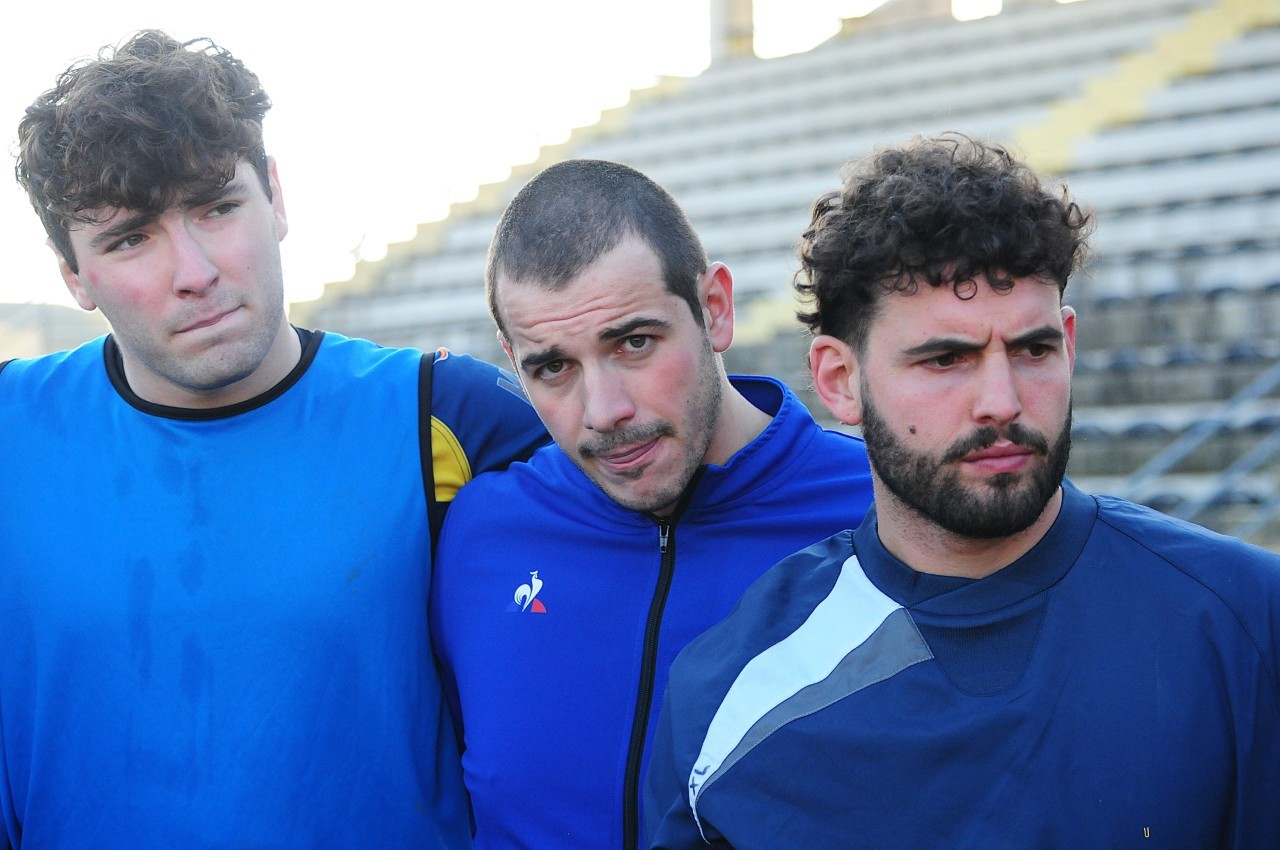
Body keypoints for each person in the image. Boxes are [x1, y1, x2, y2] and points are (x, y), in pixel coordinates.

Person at [644, 132, 1280, 848]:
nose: (1002, 401)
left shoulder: (1246, 622)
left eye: (1033, 349)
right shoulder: (730, 693)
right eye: (946, 359)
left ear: (1069, 344)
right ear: (839, 380)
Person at [0, 31, 546, 849]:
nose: (195, 271)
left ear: (277, 198)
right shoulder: (11, 430)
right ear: (73, 274)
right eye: (131, 237)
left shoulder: (446, 415)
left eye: (217, 207)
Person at [428, 159, 875, 850]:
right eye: (553, 367)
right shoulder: (481, 532)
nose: (603, 411)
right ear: (513, 360)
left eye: (634, 343)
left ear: (714, 309)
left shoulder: (880, 511)